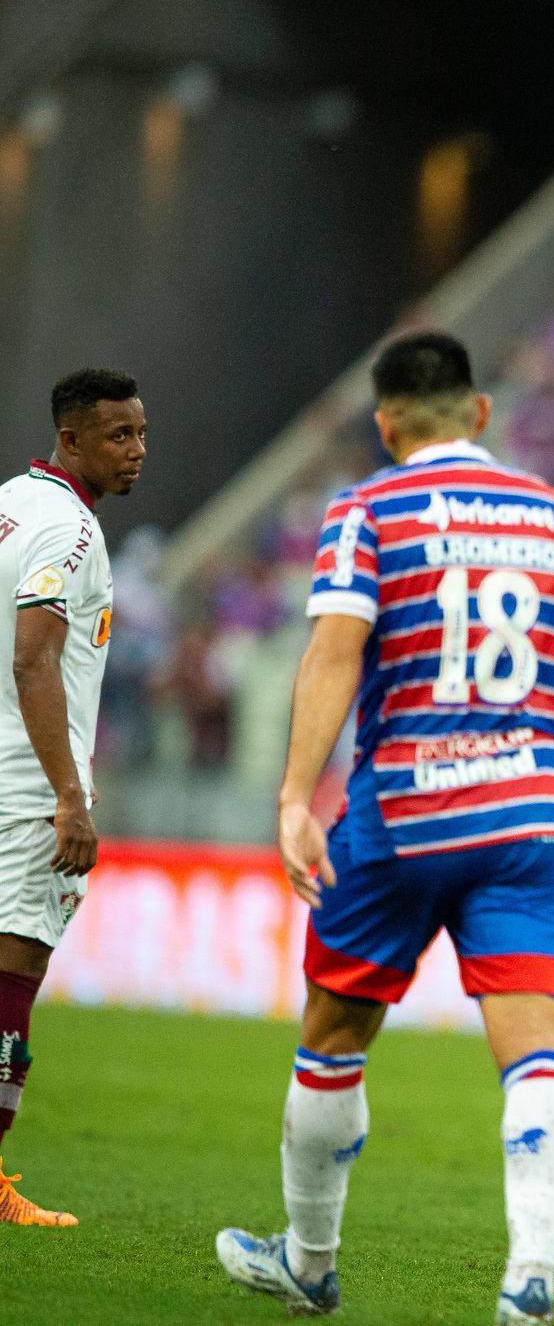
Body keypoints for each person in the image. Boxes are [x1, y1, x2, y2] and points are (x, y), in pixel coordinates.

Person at [214, 333, 554, 1323]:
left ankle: (311, 1264)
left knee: (333, 1033)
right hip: (530, 819)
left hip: (403, 812)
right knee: (534, 1046)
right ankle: (528, 1275)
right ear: (480, 412)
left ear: (385, 423)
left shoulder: (367, 511)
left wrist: (292, 798)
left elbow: (333, 653)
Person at [0, 370, 147, 1228]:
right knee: (14, 970)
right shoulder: (72, 531)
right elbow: (32, 658)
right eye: (119, 435)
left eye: (140, 432)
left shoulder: (13, 503)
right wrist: (68, 796)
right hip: (28, 788)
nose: (137, 450)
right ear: (74, 439)